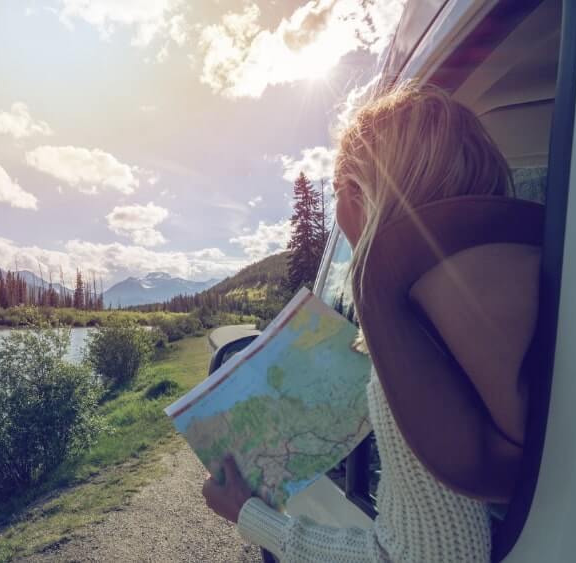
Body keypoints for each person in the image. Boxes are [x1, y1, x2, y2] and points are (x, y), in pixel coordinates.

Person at [201, 82, 543, 562]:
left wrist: (251, 516)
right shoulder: (539, 284)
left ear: (362, 196)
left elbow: (430, 558)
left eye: (341, 188)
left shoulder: (411, 341)